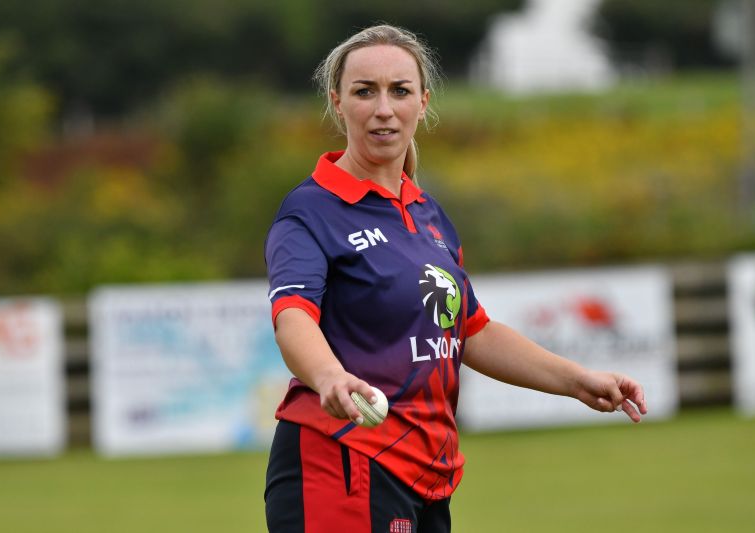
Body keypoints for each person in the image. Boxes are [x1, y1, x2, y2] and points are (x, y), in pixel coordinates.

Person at [263, 24, 647, 533]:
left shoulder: (430, 217)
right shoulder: (310, 211)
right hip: (342, 462)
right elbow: (292, 316)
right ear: (338, 102)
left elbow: (471, 331)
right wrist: (329, 377)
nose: (384, 108)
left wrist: (577, 380)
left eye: (400, 91)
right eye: (365, 91)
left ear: (423, 102)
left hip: (426, 476)